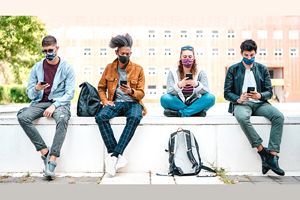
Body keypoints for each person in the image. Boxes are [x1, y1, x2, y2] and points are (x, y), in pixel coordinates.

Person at [17, 35, 76, 179]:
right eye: (45, 51)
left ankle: (52, 160)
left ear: (57, 48)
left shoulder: (67, 68)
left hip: (60, 104)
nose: (48, 54)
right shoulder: (37, 67)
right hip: (40, 102)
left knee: (62, 118)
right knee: (22, 116)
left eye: (51, 50)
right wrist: (36, 88)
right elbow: (30, 94)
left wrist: (55, 106)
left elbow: (70, 94)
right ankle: (45, 152)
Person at [224, 39, 285, 176]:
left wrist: (260, 95)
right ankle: (263, 152)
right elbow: (227, 93)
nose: (249, 58)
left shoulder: (262, 69)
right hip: (242, 103)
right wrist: (238, 98)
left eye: (252, 55)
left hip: (260, 103)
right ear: (241, 53)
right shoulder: (233, 70)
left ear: (255, 53)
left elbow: (269, 92)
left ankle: (273, 157)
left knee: (279, 117)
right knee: (241, 117)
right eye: (246, 55)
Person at [95, 33, 146, 177]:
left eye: (128, 54)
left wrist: (131, 91)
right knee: (101, 117)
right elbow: (100, 88)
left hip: (133, 103)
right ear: (116, 52)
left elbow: (141, 93)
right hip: (115, 102)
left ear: (131, 53)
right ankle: (115, 155)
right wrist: (105, 101)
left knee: (136, 117)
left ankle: (114, 156)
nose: (125, 56)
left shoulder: (138, 69)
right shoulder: (109, 68)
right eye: (122, 53)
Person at [160, 45, 215, 117]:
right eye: (185, 57)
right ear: (180, 58)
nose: (187, 59)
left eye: (190, 57)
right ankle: (195, 112)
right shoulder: (172, 72)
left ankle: (181, 113)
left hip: (195, 102)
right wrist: (179, 85)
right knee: (164, 98)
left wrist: (197, 85)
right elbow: (169, 92)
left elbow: (206, 91)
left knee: (211, 98)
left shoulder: (201, 71)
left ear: (194, 57)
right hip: (178, 103)